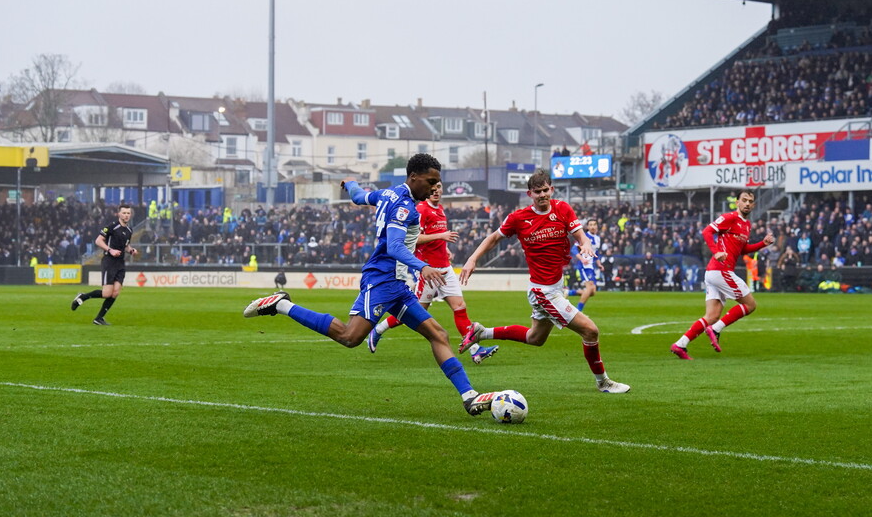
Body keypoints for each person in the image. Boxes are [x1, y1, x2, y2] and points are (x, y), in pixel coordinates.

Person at [242, 153, 498, 417]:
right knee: (349, 337)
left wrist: (350, 183)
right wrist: (422, 266)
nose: (434, 187)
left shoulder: (386, 194)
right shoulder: (405, 207)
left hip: (397, 285)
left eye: (437, 182)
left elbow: (358, 196)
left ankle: (470, 396)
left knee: (438, 334)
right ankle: (281, 305)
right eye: (430, 181)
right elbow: (395, 245)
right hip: (382, 280)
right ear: (414, 177)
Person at [458, 169, 631, 394]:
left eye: (545, 190)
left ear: (552, 189)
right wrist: (472, 259)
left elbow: (579, 233)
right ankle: (603, 382)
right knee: (591, 331)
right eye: (537, 192)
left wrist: (585, 243)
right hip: (543, 291)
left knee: (535, 338)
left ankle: (482, 332)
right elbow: (493, 239)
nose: (542, 195)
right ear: (529, 193)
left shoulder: (563, 209)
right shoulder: (518, 218)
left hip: (555, 286)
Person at [367, 181, 499, 364]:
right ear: (427, 190)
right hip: (429, 270)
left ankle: (476, 351)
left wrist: (444, 249)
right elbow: (413, 238)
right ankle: (378, 329)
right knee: (416, 313)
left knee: (459, 307)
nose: (436, 191)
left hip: (445, 268)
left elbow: (436, 238)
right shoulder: (421, 210)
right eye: (433, 188)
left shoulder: (440, 209)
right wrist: (441, 236)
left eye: (439, 188)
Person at [670, 190, 775, 360]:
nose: (747, 203)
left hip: (716, 272)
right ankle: (716, 329)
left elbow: (743, 250)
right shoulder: (730, 217)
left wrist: (763, 243)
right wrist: (716, 251)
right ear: (737, 202)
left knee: (711, 316)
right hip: (721, 269)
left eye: (750, 201)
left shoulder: (746, 225)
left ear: (753, 205)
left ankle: (680, 345)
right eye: (744, 200)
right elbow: (706, 232)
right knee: (750, 305)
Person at [71, 203, 138, 325]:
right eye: (124, 213)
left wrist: (131, 250)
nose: (126, 215)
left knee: (116, 292)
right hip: (109, 262)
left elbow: (126, 245)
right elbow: (98, 240)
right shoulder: (112, 227)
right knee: (107, 293)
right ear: (119, 214)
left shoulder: (129, 230)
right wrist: (110, 250)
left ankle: (99, 318)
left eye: (128, 213)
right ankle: (83, 296)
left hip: (120, 263)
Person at [571, 218, 603, 311]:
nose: (593, 227)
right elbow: (573, 249)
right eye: (591, 225)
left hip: (591, 266)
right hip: (584, 266)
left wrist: (599, 264)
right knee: (589, 288)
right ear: (588, 227)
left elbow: (595, 253)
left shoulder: (597, 239)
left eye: (594, 224)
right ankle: (578, 311)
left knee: (592, 292)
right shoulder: (584, 237)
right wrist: (582, 259)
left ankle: (569, 292)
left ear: (597, 226)